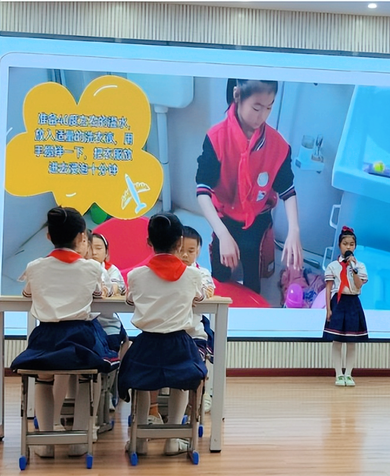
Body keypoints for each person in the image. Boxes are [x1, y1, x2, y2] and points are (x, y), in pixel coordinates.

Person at [10, 207, 118, 458]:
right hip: (81, 338)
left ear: (48, 236)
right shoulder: (92, 268)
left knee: (44, 377)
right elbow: (99, 294)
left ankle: (45, 443)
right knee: (86, 376)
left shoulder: (35, 266)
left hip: (46, 337)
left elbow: (27, 293)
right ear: (82, 237)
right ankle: (80, 441)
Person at [195, 78, 302, 295]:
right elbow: (202, 190)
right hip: (225, 215)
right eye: (256, 107)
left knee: (252, 259)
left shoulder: (278, 145)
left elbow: (287, 190)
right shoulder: (216, 138)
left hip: (258, 214)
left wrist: (294, 231)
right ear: (237, 95)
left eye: (269, 107)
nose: (262, 116)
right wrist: (223, 234)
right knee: (220, 273)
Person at [118, 213, 207, 456]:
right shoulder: (193, 275)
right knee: (182, 381)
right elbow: (199, 297)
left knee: (141, 383)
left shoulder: (136, 275)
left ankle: (139, 440)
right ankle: (173, 439)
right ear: (180, 242)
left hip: (147, 344)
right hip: (179, 344)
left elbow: (130, 300)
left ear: (149, 242)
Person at [323, 226, 368, 387]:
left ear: (355, 246)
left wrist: (353, 268)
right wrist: (328, 309)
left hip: (353, 303)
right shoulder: (332, 266)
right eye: (345, 243)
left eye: (351, 244)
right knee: (337, 341)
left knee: (351, 341)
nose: (348, 247)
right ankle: (338, 374)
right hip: (338, 303)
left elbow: (359, 285)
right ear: (339, 245)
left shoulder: (360, 266)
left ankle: (348, 374)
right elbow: (328, 289)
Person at [181, 226, 216, 413]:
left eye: (191, 250)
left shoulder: (202, 272)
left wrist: (194, 293)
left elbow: (208, 291)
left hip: (194, 330)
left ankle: (203, 395)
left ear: (199, 251)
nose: (185, 255)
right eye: (181, 250)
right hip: (172, 331)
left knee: (202, 359)